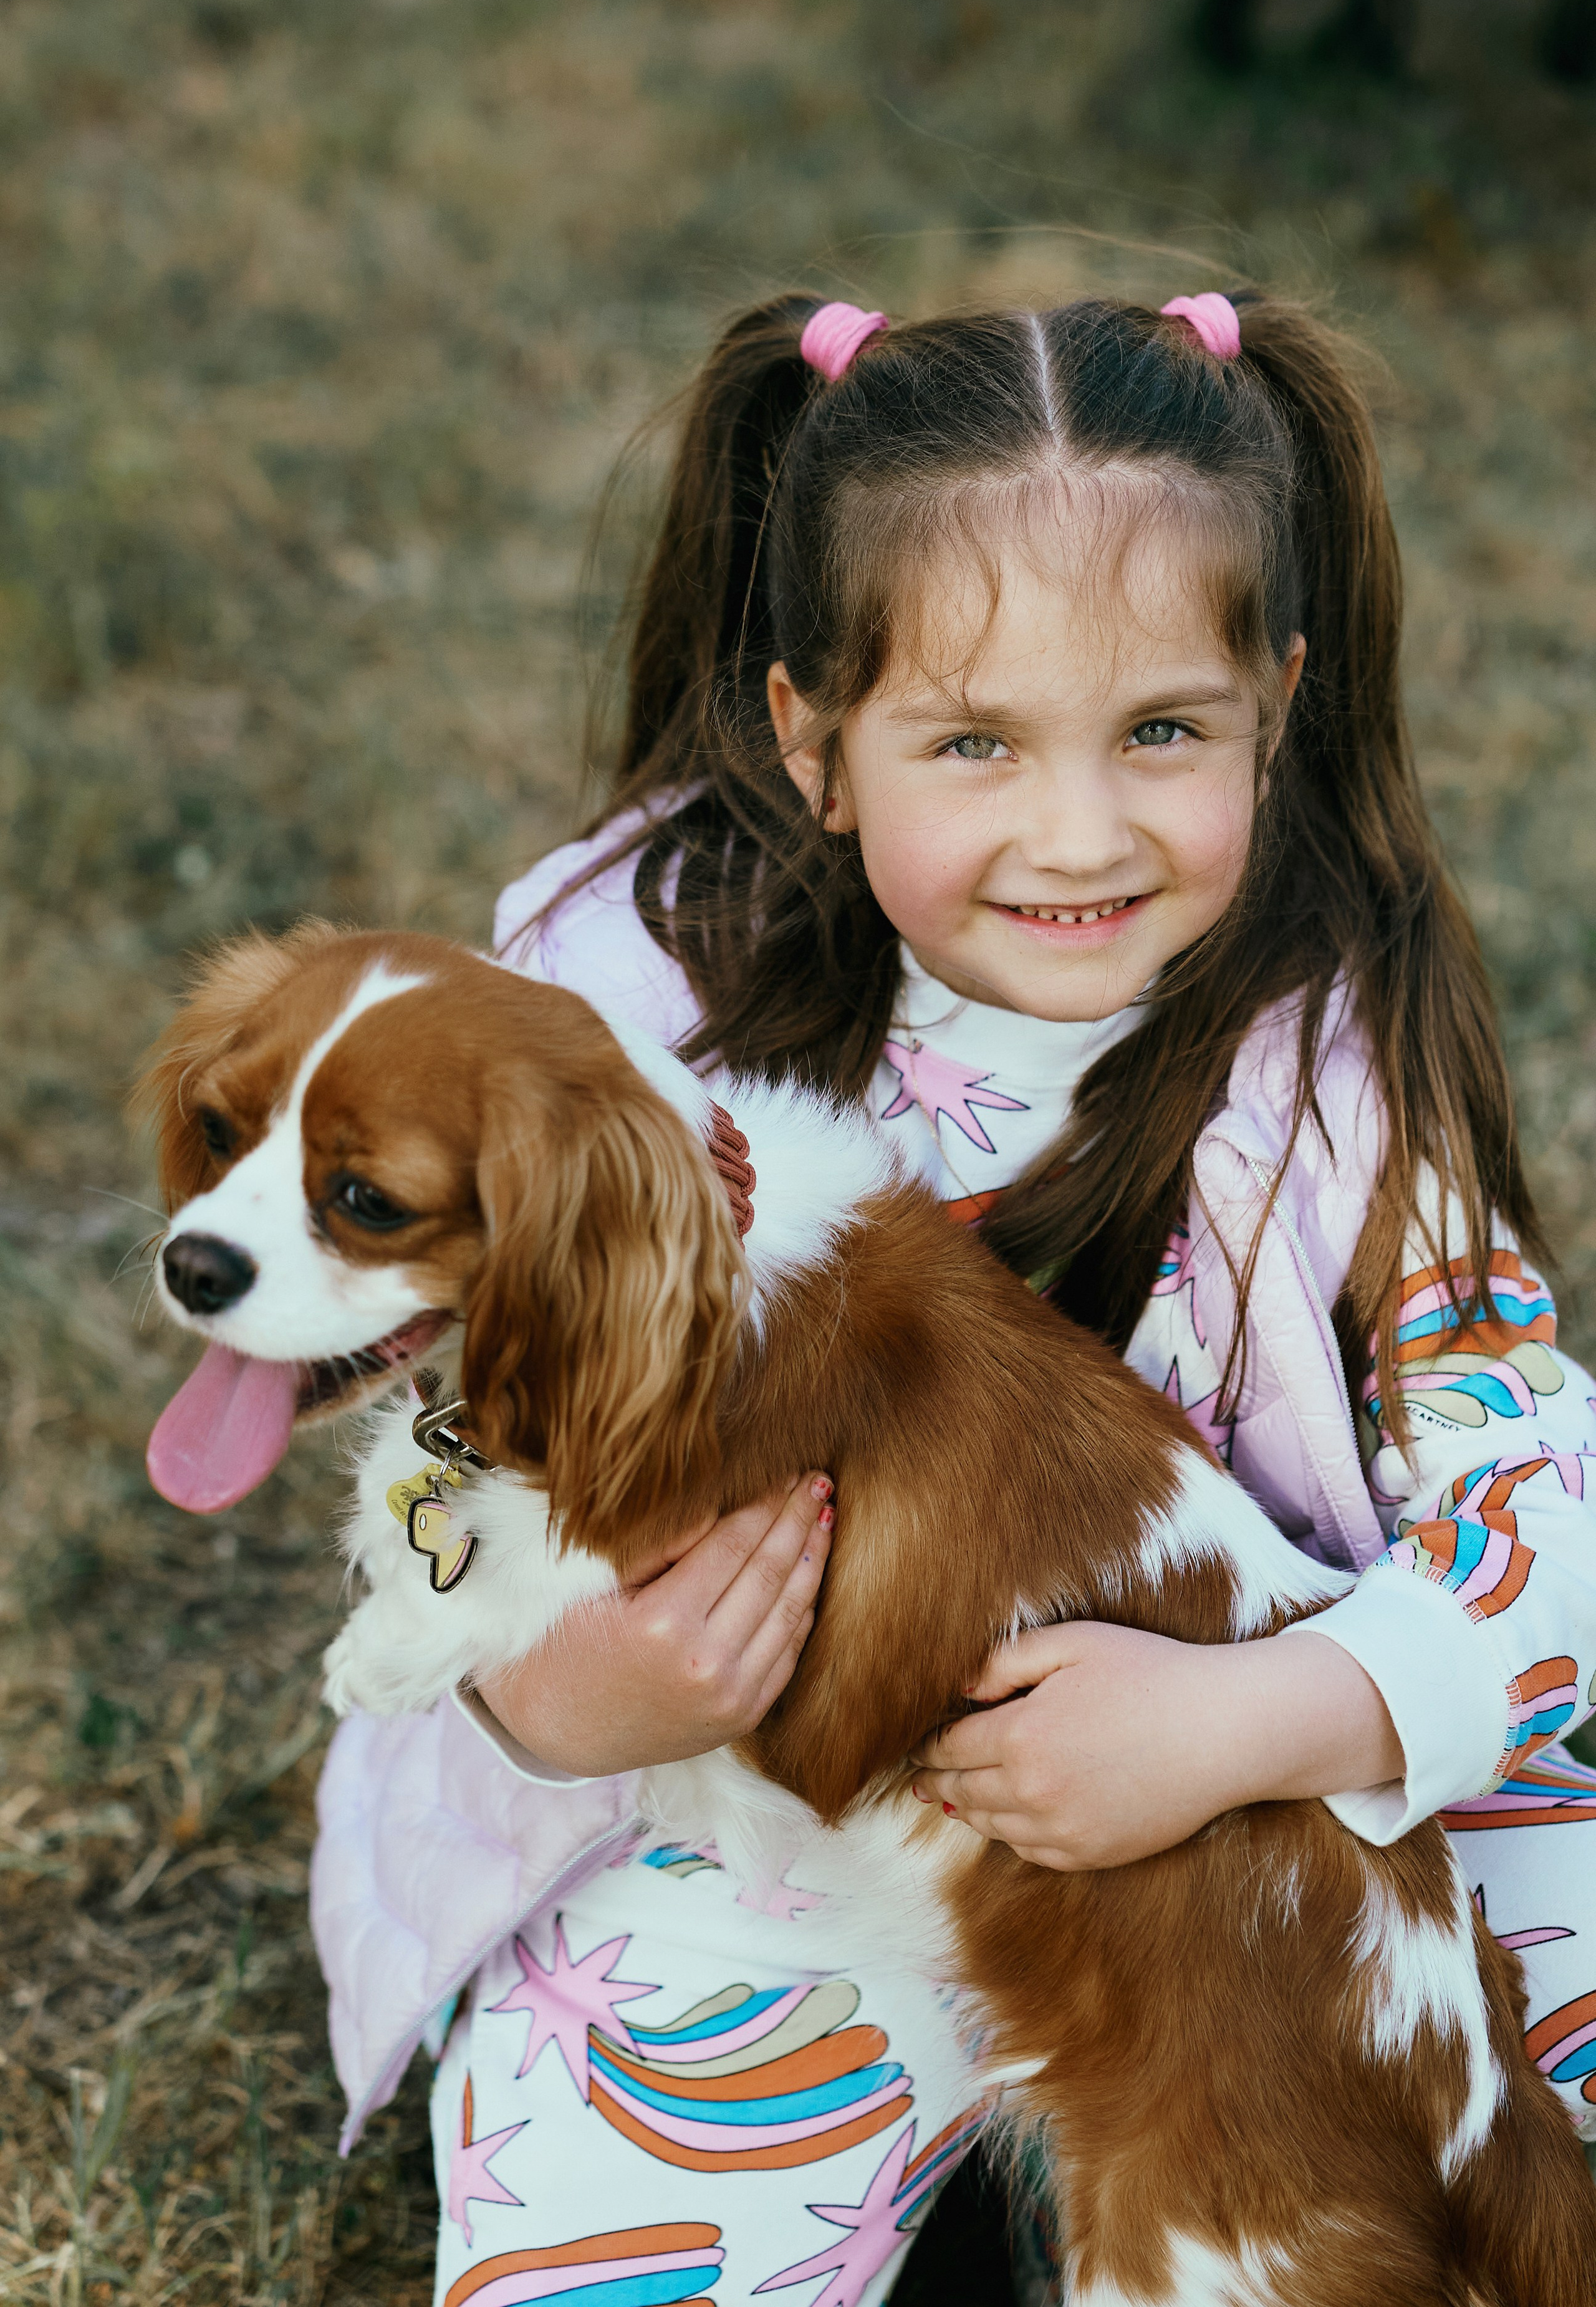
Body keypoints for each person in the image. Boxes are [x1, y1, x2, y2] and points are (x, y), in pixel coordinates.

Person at [310, 288, 1596, 2307]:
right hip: (737, 1819)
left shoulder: (1331, 1072)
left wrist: (1265, 1715)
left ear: (1281, 700)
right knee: (599, 2255)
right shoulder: (621, 1011)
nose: (1080, 835)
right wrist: (558, 1698)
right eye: (975, 742)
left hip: (1248, 1814)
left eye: (1164, 731)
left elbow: (1550, 1496)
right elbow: (452, 1425)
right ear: (816, 742)